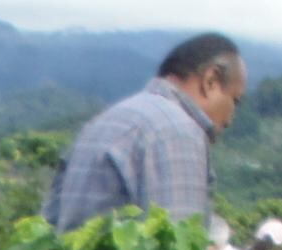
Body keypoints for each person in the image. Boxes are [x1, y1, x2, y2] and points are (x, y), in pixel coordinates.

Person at [44, 34, 247, 235]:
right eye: (234, 101)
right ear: (210, 81)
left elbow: (51, 224)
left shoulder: (105, 121)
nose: (230, 119)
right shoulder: (176, 132)